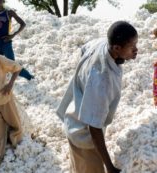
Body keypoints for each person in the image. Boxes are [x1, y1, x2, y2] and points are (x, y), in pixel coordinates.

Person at [56, 21, 138, 173]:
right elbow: (94, 128)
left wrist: (84, 79)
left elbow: (84, 49)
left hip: (74, 119)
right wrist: (110, 167)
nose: (136, 50)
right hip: (83, 136)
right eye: (132, 47)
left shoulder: (101, 44)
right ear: (117, 48)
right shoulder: (102, 79)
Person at [0, 54, 23, 170]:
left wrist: (10, 84)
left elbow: (17, 68)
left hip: (5, 101)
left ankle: (19, 147)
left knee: (15, 125)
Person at [0, 0, 34, 80]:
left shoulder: (9, 12)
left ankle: (29, 77)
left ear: (3, 1)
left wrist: (13, 35)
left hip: (5, 42)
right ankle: (0, 82)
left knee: (12, 64)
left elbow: (23, 24)